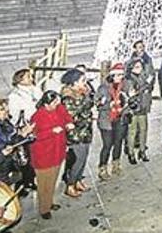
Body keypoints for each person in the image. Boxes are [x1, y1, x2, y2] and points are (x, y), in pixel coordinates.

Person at [29, 90, 73, 219]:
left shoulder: (58, 108)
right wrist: (51, 131)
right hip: (44, 156)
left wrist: (68, 122)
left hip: (57, 152)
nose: (58, 104)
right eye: (55, 102)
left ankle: (49, 202)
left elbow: (66, 116)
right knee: (44, 184)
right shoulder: (37, 116)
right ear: (47, 103)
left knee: (53, 181)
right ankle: (44, 209)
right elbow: (33, 136)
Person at [60, 68, 93, 198]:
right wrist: (86, 99)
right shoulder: (67, 97)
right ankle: (70, 184)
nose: (85, 83)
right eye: (82, 80)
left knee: (84, 158)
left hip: (85, 131)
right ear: (73, 83)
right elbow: (71, 116)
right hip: (75, 134)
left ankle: (78, 180)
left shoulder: (82, 93)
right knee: (77, 160)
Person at [95, 64, 129, 179]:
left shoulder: (124, 86)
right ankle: (102, 167)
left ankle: (116, 164)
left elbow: (128, 100)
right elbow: (98, 104)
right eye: (118, 75)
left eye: (122, 75)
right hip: (107, 120)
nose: (121, 77)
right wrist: (107, 104)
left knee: (118, 142)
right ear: (112, 75)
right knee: (107, 144)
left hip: (120, 117)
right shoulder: (103, 88)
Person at [124, 58, 153, 163]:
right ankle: (131, 153)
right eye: (137, 67)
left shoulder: (143, 75)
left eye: (140, 66)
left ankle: (142, 150)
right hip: (133, 108)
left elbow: (148, 89)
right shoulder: (128, 79)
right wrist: (145, 85)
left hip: (143, 107)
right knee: (132, 132)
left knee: (143, 130)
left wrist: (148, 86)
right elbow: (132, 92)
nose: (139, 69)